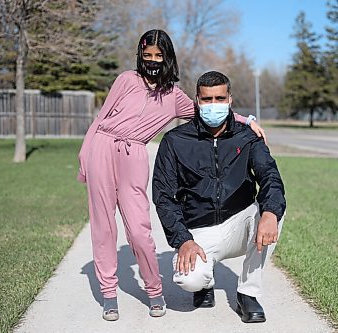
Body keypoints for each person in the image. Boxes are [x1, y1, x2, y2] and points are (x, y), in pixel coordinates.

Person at [77, 30, 266, 321]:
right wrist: (85, 156)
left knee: (139, 231)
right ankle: (109, 292)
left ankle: (154, 290)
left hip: (135, 154)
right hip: (102, 147)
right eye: (147, 55)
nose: (151, 61)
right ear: (140, 55)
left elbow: (207, 109)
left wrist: (246, 120)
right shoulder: (126, 80)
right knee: (103, 226)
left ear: (167, 57)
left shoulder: (173, 97)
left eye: (158, 55)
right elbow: (101, 118)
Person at [152, 71, 286, 323]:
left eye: (219, 98)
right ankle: (205, 283)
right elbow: (163, 196)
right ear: (197, 100)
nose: (214, 105)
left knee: (273, 209)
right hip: (198, 233)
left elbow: (270, 176)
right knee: (188, 279)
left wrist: (269, 213)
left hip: (239, 224)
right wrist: (183, 240)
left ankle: (248, 293)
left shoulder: (248, 137)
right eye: (207, 99)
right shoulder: (175, 141)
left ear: (230, 100)